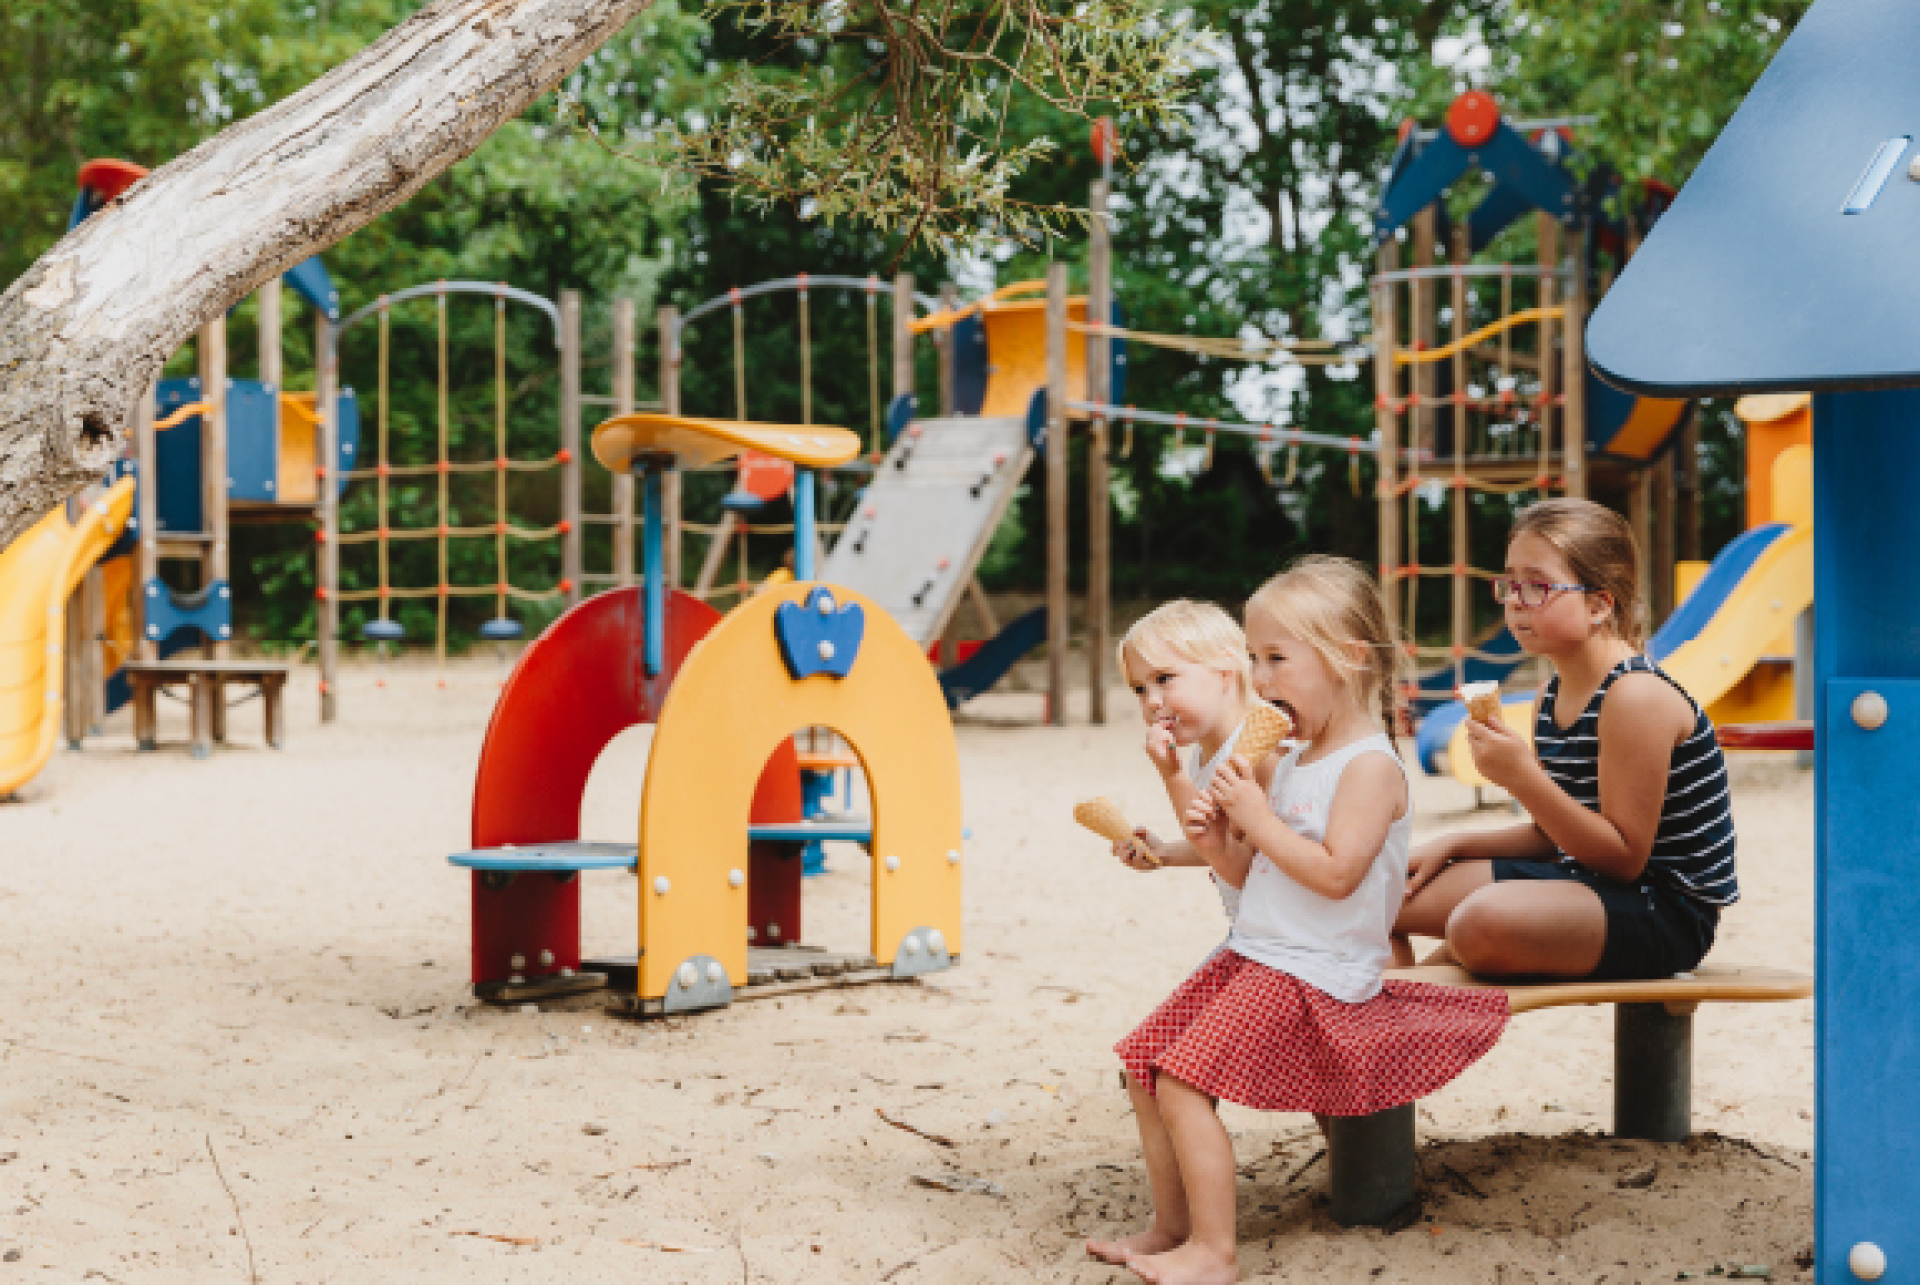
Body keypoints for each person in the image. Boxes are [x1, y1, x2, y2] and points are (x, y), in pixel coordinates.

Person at [1091, 557, 1508, 1284]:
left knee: (1184, 1081)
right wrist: (1206, 818)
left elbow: (1339, 872)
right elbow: (1245, 867)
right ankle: (1171, 1225)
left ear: (1347, 657)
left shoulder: (1370, 766)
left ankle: (1216, 1253)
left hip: (1317, 966)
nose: (1262, 677)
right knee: (1144, 1064)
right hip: (1261, 949)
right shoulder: (1288, 759)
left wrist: (1254, 813)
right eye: (1254, 658)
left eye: (1275, 658)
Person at [1394, 497, 1737, 980]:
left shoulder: (1635, 695)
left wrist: (1521, 777)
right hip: (1583, 877)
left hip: (1664, 909)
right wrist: (1457, 841)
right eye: (1511, 583)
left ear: (1599, 605)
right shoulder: (1549, 695)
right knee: (1381, 896)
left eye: (1537, 586)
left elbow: (1623, 859)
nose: (1515, 600)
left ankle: (1410, 1007)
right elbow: (1553, 836)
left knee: (1478, 920)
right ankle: (1380, 1029)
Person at [1111, 600, 1268, 924]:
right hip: (1252, 932)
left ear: (1225, 674)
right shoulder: (1205, 755)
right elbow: (1223, 842)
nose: (1152, 701)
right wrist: (1165, 852)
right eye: (1140, 689)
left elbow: (1244, 865)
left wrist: (1172, 775)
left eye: (1165, 678)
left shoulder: (1258, 754)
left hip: (1280, 942)